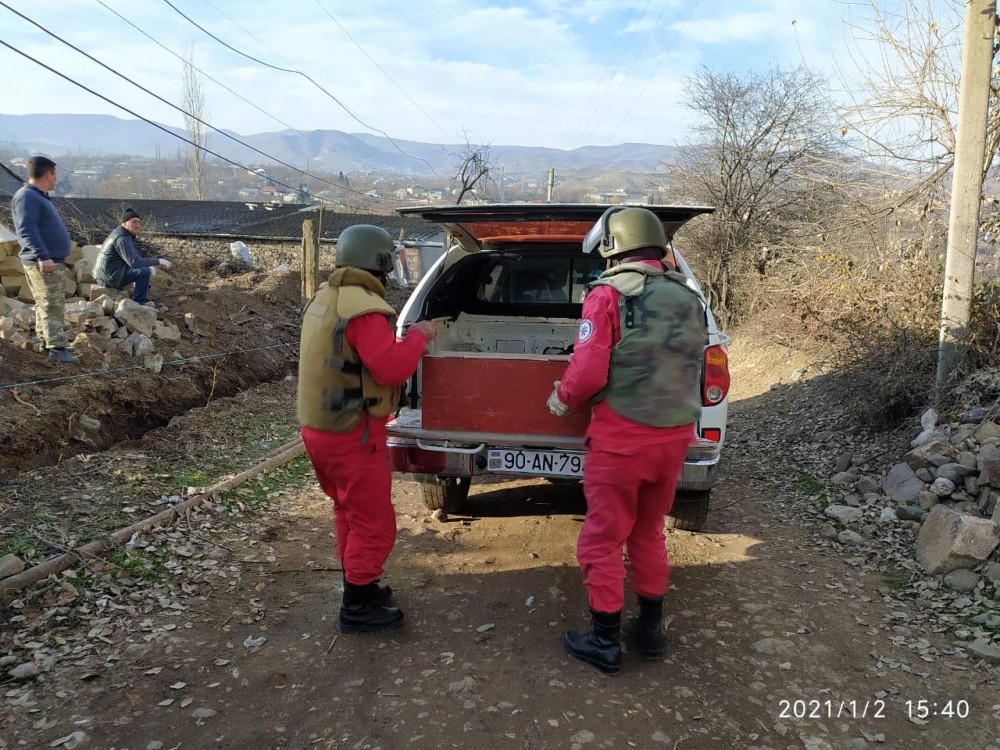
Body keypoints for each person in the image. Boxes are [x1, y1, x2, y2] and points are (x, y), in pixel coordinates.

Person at [546, 207, 709, 675]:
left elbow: (589, 369)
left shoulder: (608, 294)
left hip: (621, 440)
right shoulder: (687, 296)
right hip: (673, 437)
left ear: (612, 246)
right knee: (648, 530)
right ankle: (649, 631)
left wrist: (563, 396)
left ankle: (603, 640)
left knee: (602, 538)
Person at [297, 224, 437, 635]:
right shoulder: (364, 309)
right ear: (378, 262)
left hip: (319, 431)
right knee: (375, 524)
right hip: (352, 435)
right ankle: (357, 606)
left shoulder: (325, 298)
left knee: (348, 510)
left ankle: (360, 584)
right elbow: (391, 367)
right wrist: (419, 336)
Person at [11, 156, 78, 364]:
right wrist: (42, 255)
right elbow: (26, 229)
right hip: (43, 261)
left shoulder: (36, 196)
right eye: (54, 175)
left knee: (46, 303)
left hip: (48, 259)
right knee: (52, 304)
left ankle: (45, 341)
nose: (55, 179)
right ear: (48, 174)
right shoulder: (27, 197)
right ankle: (57, 349)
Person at [93, 208, 172, 305]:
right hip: (109, 277)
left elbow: (133, 256)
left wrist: (149, 264)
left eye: (139, 222)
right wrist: (158, 261)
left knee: (144, 269)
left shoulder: (124, 235)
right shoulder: (122, 239)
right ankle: (140, 302)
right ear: (124, 223)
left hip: (110, 272)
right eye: (133, 222)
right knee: (144, 272)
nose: (137, 225)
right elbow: (134, 262)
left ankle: (138, 295)